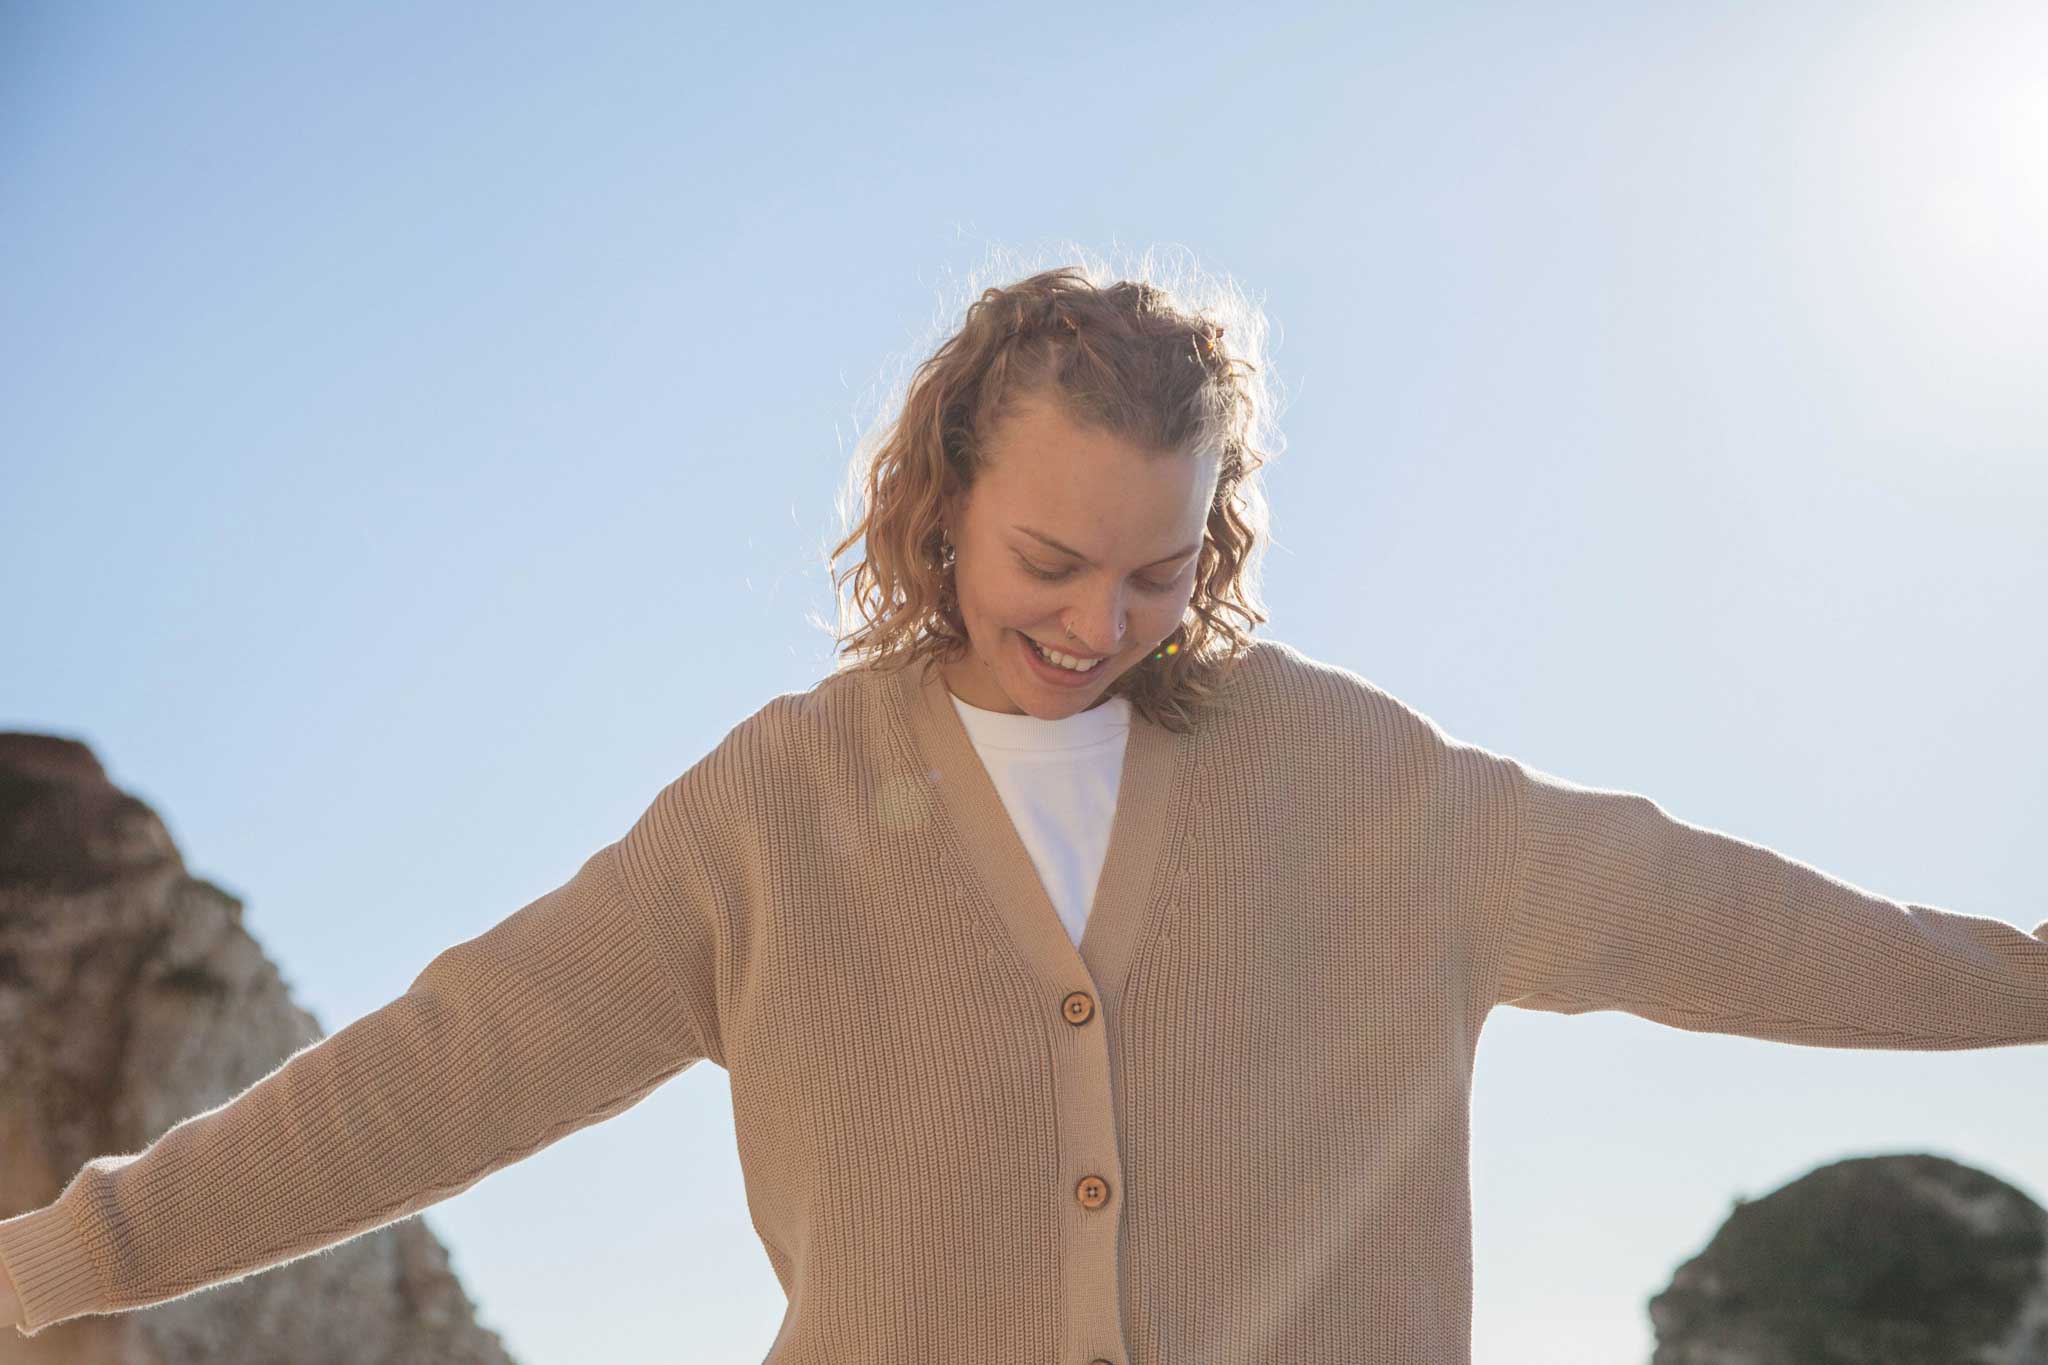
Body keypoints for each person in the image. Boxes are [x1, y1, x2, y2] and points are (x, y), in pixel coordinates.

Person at [3, 260, 2045, 1363]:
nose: (1101, 620)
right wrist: (61, 1258)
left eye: (1159, 569)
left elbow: (1717, 916)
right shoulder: (779, 809)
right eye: (1050, 558)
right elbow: (438, 1074)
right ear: (939, 502)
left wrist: (2029, 985)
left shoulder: (1361, 782)